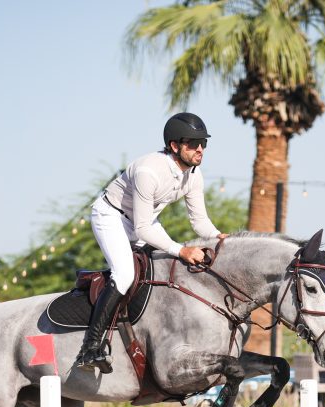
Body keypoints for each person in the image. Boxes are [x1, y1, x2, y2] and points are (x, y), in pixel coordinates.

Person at [73, 112, 228, 374]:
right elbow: (142, 228)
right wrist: (182, 249)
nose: (200, 149)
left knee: (167, 270)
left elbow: (199, 222)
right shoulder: (149, 171)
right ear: (174, 146)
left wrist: (220, 237)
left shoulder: (194, 175)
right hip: (112, 216)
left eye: (204, 143)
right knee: (124, 275)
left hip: (143, 220)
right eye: (193, 143)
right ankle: (89, 349)